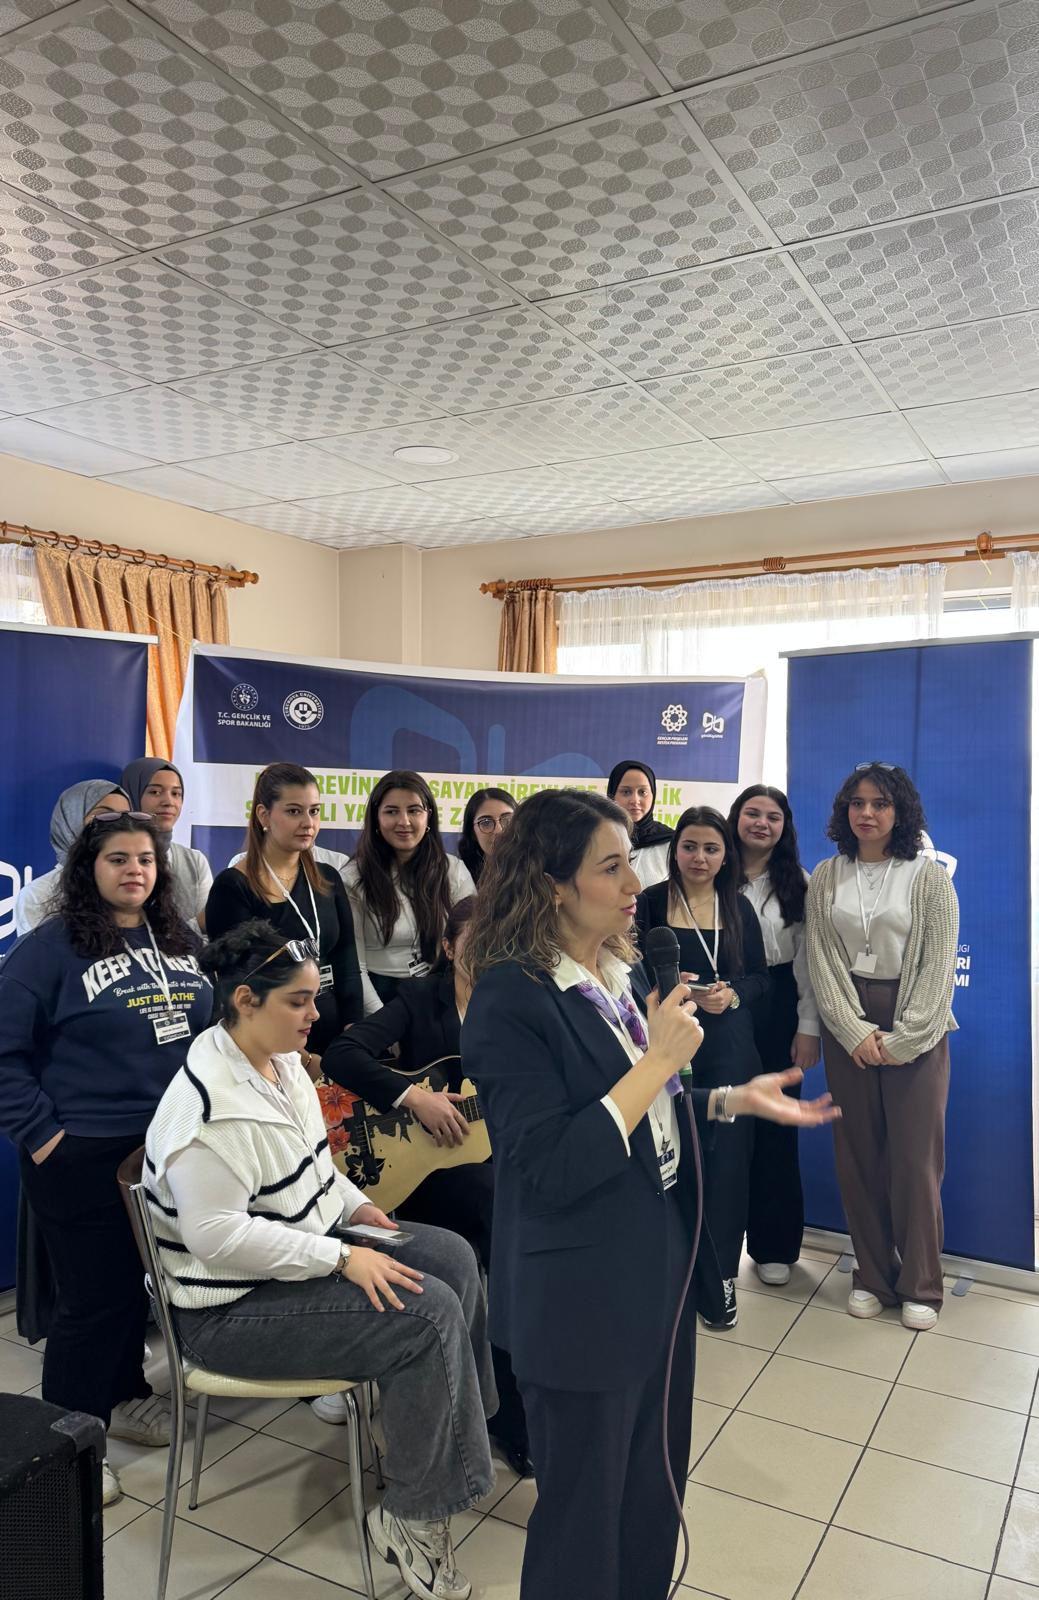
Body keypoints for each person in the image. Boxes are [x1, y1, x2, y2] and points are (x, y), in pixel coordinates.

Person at [462, 788, 838, 1600]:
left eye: (631, 863)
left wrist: (726, 1100)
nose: (636, 884)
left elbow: (640, 1113)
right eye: (611, 868)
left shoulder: (613, 973)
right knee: (582, 1521)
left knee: (649, 1497)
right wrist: (660, 1059)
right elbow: (552, 1163)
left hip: (655, 1267)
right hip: (578, 1292)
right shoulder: (509, 998)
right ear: (551, 885)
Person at [145, 921, 496, 1600]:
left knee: (451, 1256)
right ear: (245, 1000)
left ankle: (450, 1439)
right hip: (227, 1312)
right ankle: (412, 1515)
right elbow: (215, 1236)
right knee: (424, 1315)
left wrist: (356, 1208)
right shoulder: (207, 1109)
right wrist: (339, 1258)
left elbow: (314, 1165)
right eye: (298, 1001)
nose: (315, 1014)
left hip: (298, 1254)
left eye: (313, 998)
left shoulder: (279, 1063)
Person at [0, 811, 212, 1505]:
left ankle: (121, 1397)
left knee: (134, 1286)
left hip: (167, 1147)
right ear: (88, 868)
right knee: (92, 1301)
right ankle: (65, 1448)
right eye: (118, 858)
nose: (134, 870)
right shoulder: (49, 948)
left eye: (145, 859)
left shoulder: (179, 940)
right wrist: (44, 1136)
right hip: (82, 1151)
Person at [321, 896, 531, 1477]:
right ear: (448, 947)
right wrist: (414, 1097)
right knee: (496, 1216)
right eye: (476, 942)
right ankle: (499, 1415)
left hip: (496, 1160)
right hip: (422, 1177)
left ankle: (509, 1408)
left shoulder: (522, 1005)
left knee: (508, 1217)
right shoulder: (419, 1000)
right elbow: (342, 1054)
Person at [806, 762, 958, 1332]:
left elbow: (938, 967)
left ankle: (921, 1284)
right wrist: (852, 1031)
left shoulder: (929, 877)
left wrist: (906, 1038)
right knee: (858, 1156)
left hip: (915, 1023)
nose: (867, 813)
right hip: (848, 1021)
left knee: (916, 1161)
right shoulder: (827, 875)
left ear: (901, 811)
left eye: (880, 803)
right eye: (857, 803)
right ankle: (872, 1275)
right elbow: (822, 959)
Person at [635, 806, 769, 1330]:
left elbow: (761, 979)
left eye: (711, 848)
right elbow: (627, 969)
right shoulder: (648, 901)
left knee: (729, 1167)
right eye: (689, 846)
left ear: (725, 855)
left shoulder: (738, 906)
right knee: (673, 1161)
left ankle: (722, 1281)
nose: (699, 858)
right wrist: (672, 990)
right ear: (675, 852)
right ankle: (673, 1275)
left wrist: (731, 995)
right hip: (665, 1047)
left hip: (729, 1048)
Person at [206, 762, 362, 1061]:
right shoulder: (233, 886)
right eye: (294, 811)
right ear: (264, 815)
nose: (308, 823)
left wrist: (353, 1032)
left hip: (335, 1038)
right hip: (274, 1047)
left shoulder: (328, 877)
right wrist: (297, 1056)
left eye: (314, 811)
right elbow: (238, 983)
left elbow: (346, 959)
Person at [729, 785, 821, 1288]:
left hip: (779, 1003)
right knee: (721, 1121)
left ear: (785, 827)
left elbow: (807, 963)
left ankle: (774, 1246)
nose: (761, 823)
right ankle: (716, 1245)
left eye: (772, 816)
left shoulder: (798, 883)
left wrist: (807, 1027)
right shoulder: (714, 869)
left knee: (775, 1127)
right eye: (752, 813)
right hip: (720, 1001)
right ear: (736, 818)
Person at [342, 770, 475, 1015]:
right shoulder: (353, 878)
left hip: (442, 993)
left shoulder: (453, 870)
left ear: (428, 816)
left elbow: (470, 948)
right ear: (376, 818)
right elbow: (354, 967)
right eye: (392, 811)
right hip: (378, 996)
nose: (404, 821)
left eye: (414, 810)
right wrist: (383, 1022)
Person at [14, 778, 130, 933]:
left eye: (125, 817)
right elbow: (41, 949)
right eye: (104, 815)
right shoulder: (39, 896)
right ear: (71, 820)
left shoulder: (136, 880)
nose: (118, 825)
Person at [120, 758, 213, 931]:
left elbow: (208, 930)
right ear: (131, 795)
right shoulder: (115, 861)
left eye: (176, 793)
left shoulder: (194, 861)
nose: (168, 802)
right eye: (155, 792)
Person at [606, 760, 674, 889]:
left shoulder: (670, 843)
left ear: (653, 795)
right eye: (626, 792)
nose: (635, 800)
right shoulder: (597, 839)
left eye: (643, 792)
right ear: (612, 795)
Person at [456, 787, 516, 885]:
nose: (499, 830)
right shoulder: (458, 878)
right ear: (472, 833)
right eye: (486, 823)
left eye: (507, 820)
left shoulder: (539, 875)